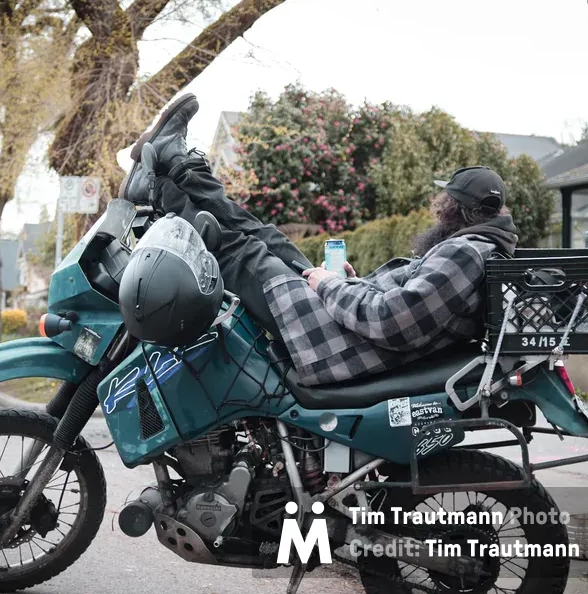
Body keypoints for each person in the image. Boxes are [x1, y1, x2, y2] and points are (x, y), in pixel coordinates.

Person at [120, 94, 519, 386]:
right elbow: (402, 306)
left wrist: (329, 286)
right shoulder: (473, 250)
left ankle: (159, 187)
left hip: (329, 341)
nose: (439, 207)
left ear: (460, 210)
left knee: (240, 250)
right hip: (336, 329)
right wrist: (348, 284)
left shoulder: (467, 254)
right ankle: (175, 168)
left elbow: (392, 320)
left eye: (445, 201)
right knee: (266, 237)